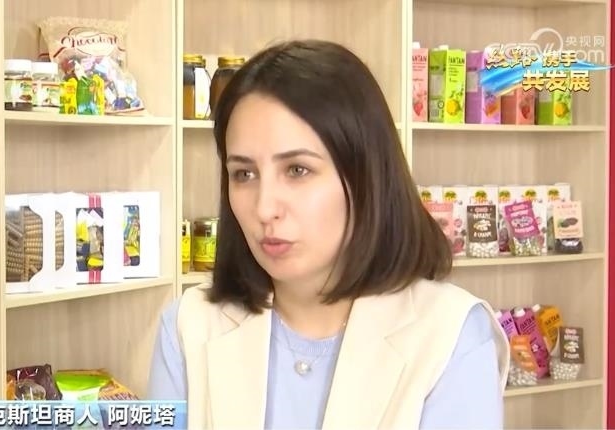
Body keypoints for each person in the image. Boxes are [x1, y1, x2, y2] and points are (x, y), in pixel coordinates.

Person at [147, 39, 510, 429]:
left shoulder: (450, 334)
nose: (264, 208)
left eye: (297, 170)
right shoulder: (188, 326)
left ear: (365, 175)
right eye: (244, 174)